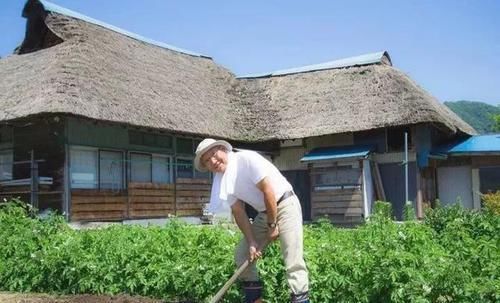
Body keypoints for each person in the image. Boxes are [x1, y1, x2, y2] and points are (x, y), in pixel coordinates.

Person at [194, 138, 310, 303]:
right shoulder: (223, 180)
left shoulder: (246, 159)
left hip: (285, 204)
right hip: (264, 213)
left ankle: (300, 299)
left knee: (293, 260)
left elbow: (268, 190)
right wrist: (251, 242)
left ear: (222, 149)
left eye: (213, 154)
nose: (213, 161)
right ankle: (255, 300)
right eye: (207, 160)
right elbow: (238, 212)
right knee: (242, 255)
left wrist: (272, 224)